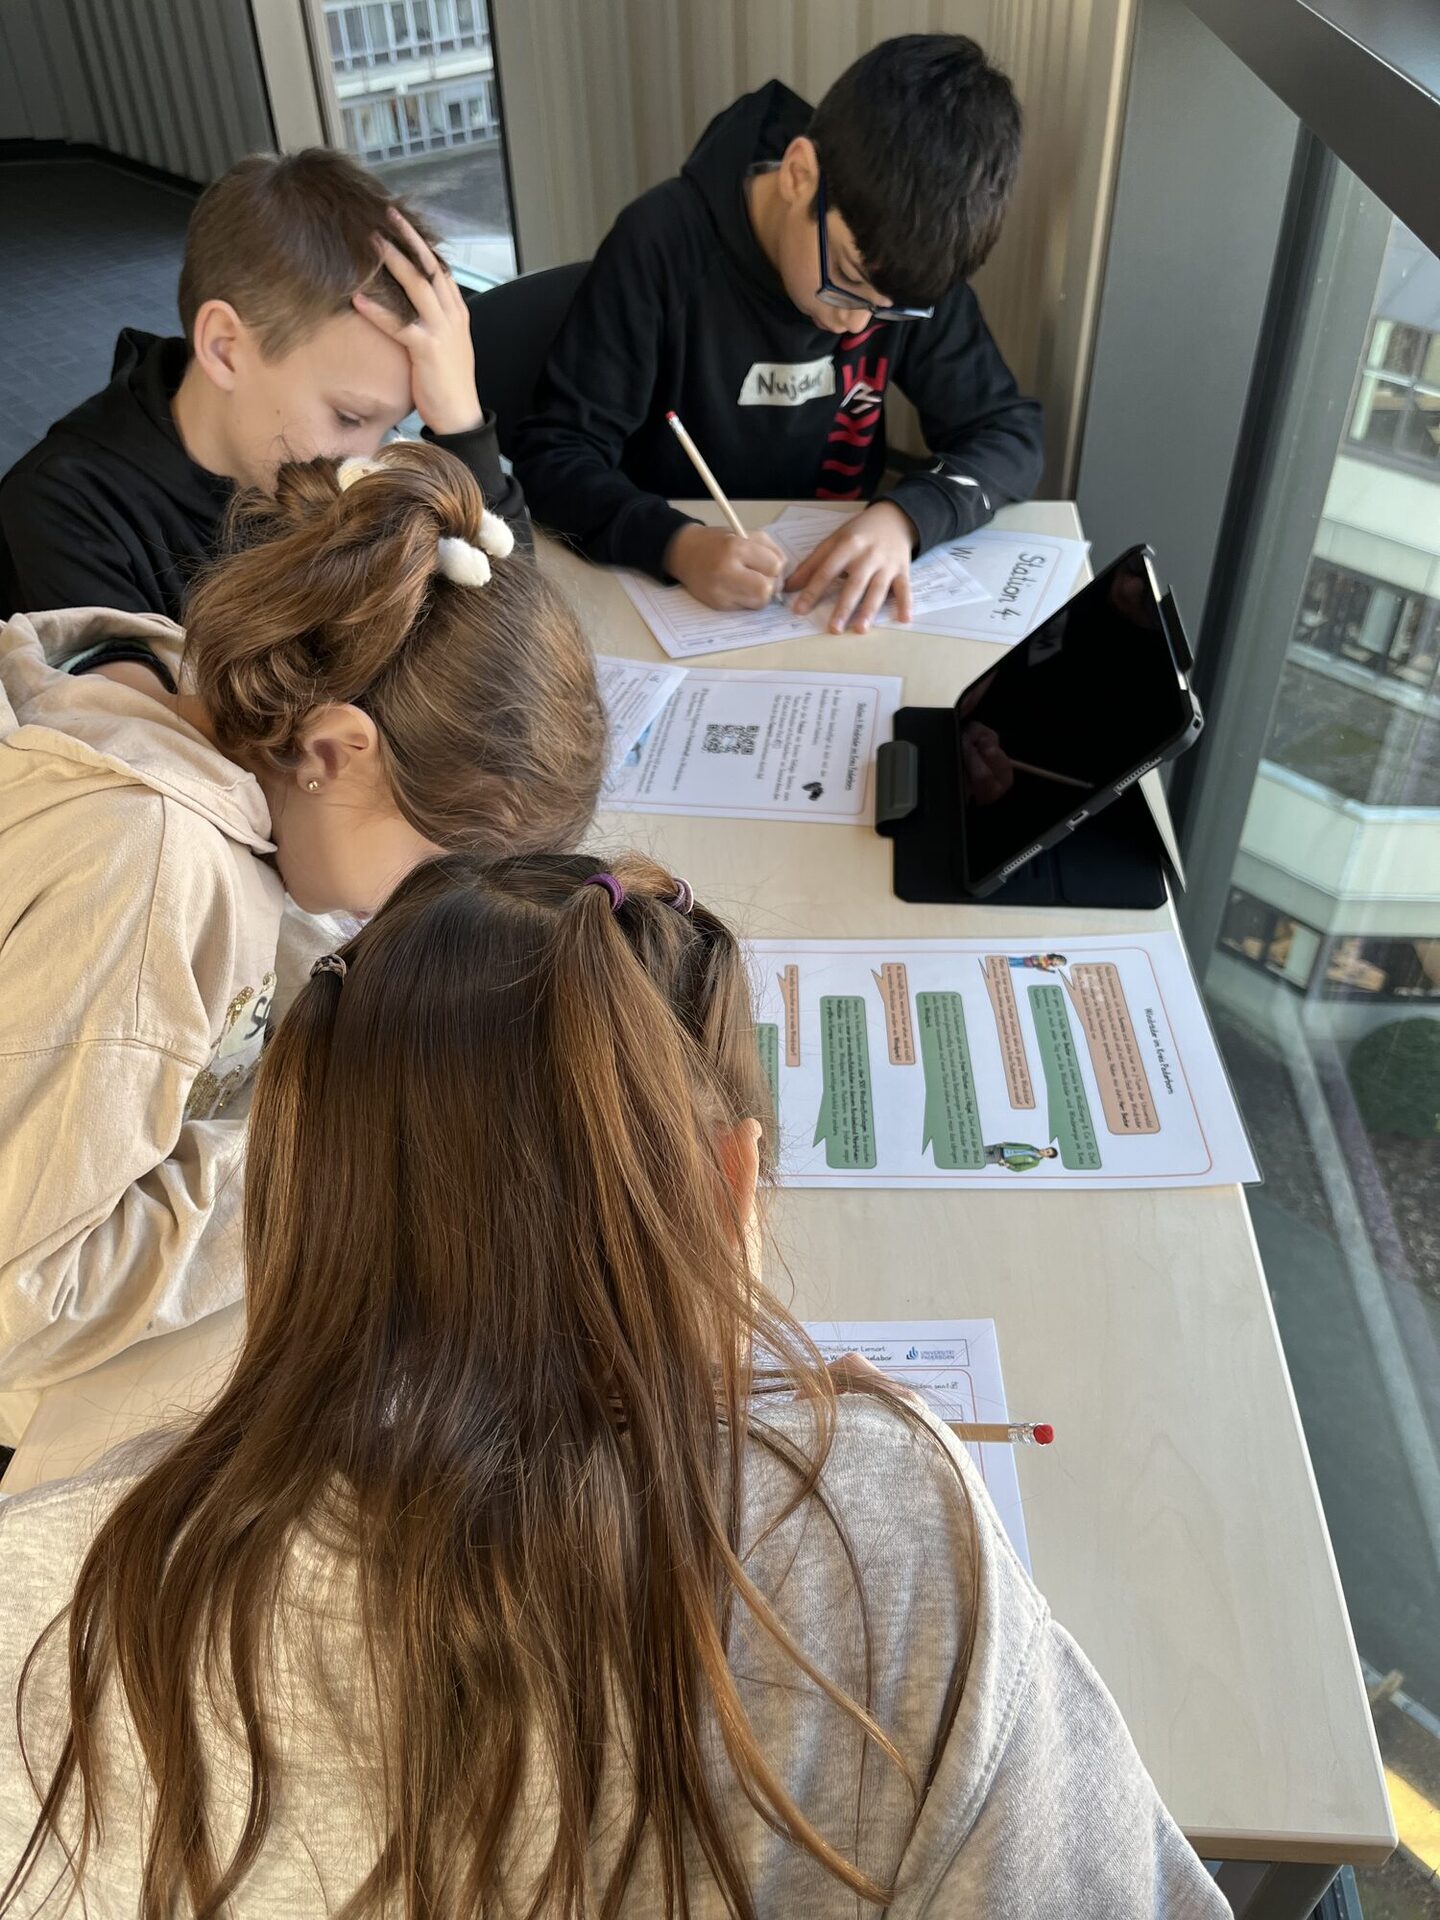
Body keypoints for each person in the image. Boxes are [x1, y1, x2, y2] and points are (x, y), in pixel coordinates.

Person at [0, 852, 1226, 1918]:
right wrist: (858, 1455)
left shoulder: (47, 1589)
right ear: (730, 1190)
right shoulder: (885, 1530)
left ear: (299, 1188)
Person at [0, 441, 603, 1434]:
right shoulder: (150, 878)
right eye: (431, 870)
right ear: (334, 748)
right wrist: (331, 1150)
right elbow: (29, 1301)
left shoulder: (193, 687)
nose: (416, 911)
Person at [514, 34, 1043, 635]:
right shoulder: (661, 246)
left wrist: (905, 518)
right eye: (846, 279)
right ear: (798, 175)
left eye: (891, 312)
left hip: (822, 611)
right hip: (672, 603)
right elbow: (554, 456)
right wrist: (676, 545)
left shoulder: (903, 268)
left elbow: (1009, 433)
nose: (857, 324)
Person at [0, 148, 526, 624]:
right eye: (348, 417)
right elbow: (134, 704)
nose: (368, 462)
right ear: (224, 348)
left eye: (392, 425)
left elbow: (517, 622)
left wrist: (460, 423)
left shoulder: (332, 455)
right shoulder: (63, 512)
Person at [985, 1142, 1061, 1171]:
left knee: (981, 1160)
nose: (1045, 1150)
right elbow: (1016, 1145)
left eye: (1047, 1152)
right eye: (1047, 1149)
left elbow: (1019, 1168)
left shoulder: (1035, 1162)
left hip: (1001, 1158)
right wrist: (1005, 1144)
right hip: (999, 1147)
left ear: (1047, 1157)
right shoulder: (1030, 1147)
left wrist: (1006, 1164)